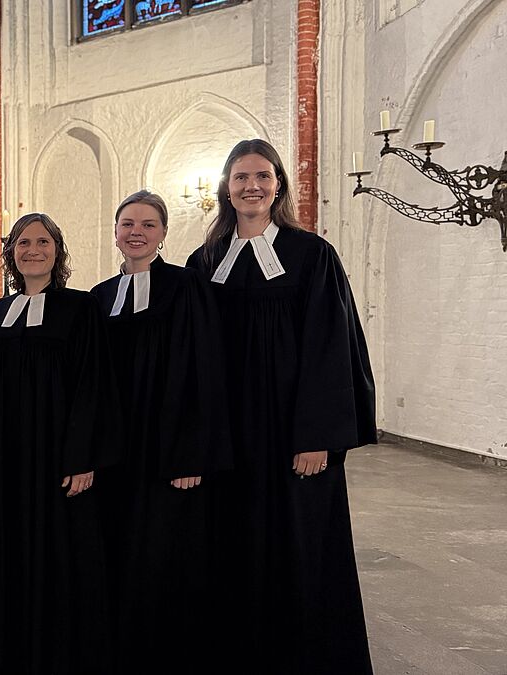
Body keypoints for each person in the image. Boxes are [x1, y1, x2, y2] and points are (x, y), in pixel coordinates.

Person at [186, 139, 377, 674]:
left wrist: (316, 435)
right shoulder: (204, 262)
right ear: (227, 187)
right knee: (233, 545)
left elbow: (330, 347)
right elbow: (190, 355)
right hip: (231, 435)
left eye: (263, 176)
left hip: (293, 432)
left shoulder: (311, 254)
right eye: (242, 176)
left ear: (279, 185)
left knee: (299, 546)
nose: (252, 186)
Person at [89, 191, 232, 670]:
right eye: (128, 223)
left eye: (148, 225)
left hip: (171, 449)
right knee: (122, 552)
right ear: (115, 233)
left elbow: (204, 370)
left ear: (164, 234)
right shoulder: (101, 296)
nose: (137, 232)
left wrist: (191, 453)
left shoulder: (187, 286)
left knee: (169, 557)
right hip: (117, 451)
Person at [0, 213, 115, 674]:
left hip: (59, 457)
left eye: (42, 242)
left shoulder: (81, 308)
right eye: (23, 243)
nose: (32, 250)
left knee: (62, 559)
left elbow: (92, 385)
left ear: (57, 251)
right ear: (11, 254)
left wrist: (83, 457)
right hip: (9, 459)